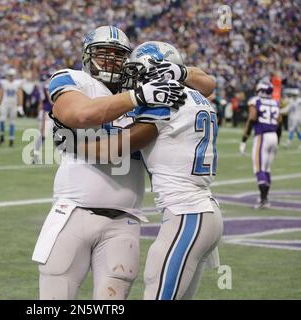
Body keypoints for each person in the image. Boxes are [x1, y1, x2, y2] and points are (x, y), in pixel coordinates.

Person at [32, 26, 195, 300]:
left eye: (118, 55)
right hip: (73, 211)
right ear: (87, 55)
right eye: (103, 53)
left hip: (125, 220)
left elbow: (207, 83)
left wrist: (178, 72)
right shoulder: (74, 79)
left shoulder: (145, 86)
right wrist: (137, 97)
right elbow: (80, 115)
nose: (110, 60)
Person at [82, 41, 222, 300]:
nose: (133, 79)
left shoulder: (164, 99)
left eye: (138, 71)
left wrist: (81, 142)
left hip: (186, 214)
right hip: (205, 211)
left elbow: (122, 146)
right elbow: (208, 82)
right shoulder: (195, 95)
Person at [239, 79, 282, 209]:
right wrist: (278, 141)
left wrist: (244, 140)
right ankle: (265, 199)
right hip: (274, 135)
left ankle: (263, 200)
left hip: (262, 136)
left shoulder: (255, 100)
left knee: (259, 169)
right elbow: (279, 122)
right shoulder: (275, 102)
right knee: (267, 169)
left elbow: (252, 118)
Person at [0, 68, 24, 147]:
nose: (11, 77)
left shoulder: (17, 83)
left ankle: (11, 139)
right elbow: (0, 93)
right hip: (5, 103)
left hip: (13, 104)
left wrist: (20, 107)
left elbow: (20, 94)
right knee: (2, 120)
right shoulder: (4, 83)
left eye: (12, 76)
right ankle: (2, 136)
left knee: (12, 122)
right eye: (10, 76)